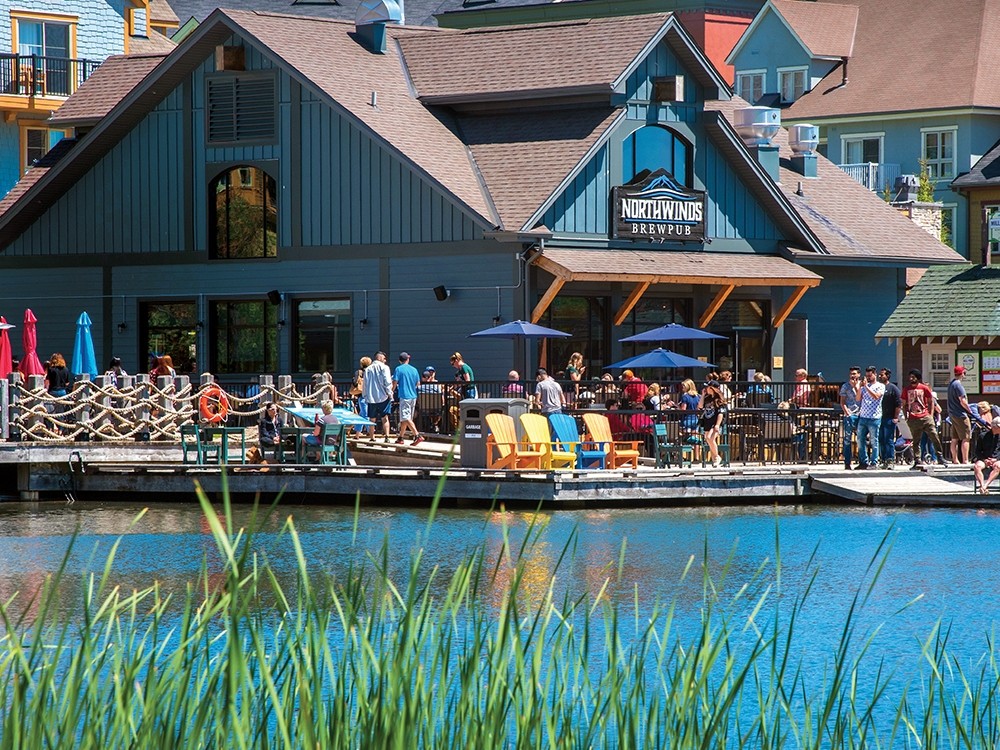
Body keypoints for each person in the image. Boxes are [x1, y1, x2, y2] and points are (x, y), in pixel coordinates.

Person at [903, 369, 948, 469]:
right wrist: (906, 416)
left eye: (913, 377)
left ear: (918, 378)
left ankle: (939, 457)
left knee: (934, 436)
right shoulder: (906, 389)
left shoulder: (924, 388)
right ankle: (917, 460)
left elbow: (931, 402)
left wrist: (930, 415)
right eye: (910, 377)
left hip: (925, 416)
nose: (911, 379)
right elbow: (904, 404)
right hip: (913, 418)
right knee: (916, 440)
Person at [393, 352, 424, 446]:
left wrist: (391, 392)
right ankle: (401, 437)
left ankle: (417, 435)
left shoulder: (398, 369)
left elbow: (395, 382)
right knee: (406, 418)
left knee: (405, 417)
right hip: (413, 396)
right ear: (408, 359)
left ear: (399, 360)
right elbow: (418, 383)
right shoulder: (414, 370)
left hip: (404, 396)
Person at [856, 365, 884, 469]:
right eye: (867, 375)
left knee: (874, 440)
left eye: (870, 375)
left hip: (874, 417)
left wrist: (867, 387)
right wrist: (860, 387)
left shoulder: (880, 386)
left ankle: (874, 462)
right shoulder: (864, 387)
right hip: (863, 416)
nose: (868, 377)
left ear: (875, 374)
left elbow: (876, 397)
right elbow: (858, 398)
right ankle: (863, 461)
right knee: (860, 440)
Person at [362, 351, 394, 442]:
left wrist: (365, 395)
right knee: (385, 418)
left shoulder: (368, 369)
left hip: (371, 398)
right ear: (380, 358)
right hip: (383, 396)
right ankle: (387, 437)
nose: (385, 360)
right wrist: (390, 394)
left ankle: (372, 438)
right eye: (384, 358)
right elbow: (387, 382)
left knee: (372, 419)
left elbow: (365, 384)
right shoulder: (385, 367)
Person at [948, 365, 974, 464]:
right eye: (964, 373)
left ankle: (955, 459)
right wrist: (969, 410)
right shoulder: (958, 385)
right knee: (966, 438)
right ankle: (965, 460)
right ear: (962, 373)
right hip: (961, 415)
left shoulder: (951, 384)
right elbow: (962, 401)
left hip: (952, 414)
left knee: (954, 438)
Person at [878, 368, 902, 469]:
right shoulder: (878, 387)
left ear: (887, 376)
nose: (880, 376)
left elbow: (898, 404)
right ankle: (883, 459)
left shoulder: (893, 388)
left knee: (889, 440)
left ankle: (890, 460)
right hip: (879, 417)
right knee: (881, 439)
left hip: (889, 418)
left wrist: (895, 417)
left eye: (882, 375)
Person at [699, 379, 726, 467]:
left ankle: (717, 457)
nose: (706, 388)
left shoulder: (719, 399)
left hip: (715, 422)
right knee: (708, 438)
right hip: (707, 421)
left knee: (711, 438)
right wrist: (703, 395)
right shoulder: (707, 398)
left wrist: (718, 425)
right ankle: (715, 458)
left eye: (708, 387)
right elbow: (700, 406)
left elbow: (721, 413)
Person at [839, 366, 862, 470]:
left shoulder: (863, 385)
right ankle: (847, 462)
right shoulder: (845, 386)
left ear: (859, 374)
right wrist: (846, 410)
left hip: (861, 414)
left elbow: (863, 398)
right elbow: (842, 401)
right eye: (851, 374)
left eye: (854, 374)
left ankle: (862, 462)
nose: (853, 376)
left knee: (861, 439)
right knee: (847, 439)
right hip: (849, 414)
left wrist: (856, 387)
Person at [973, 417, 1000, 494]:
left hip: (997, 459)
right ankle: (982, 486)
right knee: (977, 467)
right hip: (985, 458)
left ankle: (985, 486)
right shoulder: (983, 436)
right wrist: (984, 459)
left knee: (998, 466)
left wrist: (996, 459)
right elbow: (977, 451)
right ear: (994, 427)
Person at [45, 353, 71, 428]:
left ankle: (50, 428)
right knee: (60, 413)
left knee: (50, 412)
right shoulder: (65, 369)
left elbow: (47, 381)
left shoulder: (50, 369)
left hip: (52, 391)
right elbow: (67, 383)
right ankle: (60, 430)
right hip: (62, 391)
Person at [416, 367, 444, 434]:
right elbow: (442, 399)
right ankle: (436, 426)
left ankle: (419, 429)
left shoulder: (419, 387)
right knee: (441, 410)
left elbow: (417, 399)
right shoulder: (437, 386)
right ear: (429, 377)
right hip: (435, 408)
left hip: (423, 409)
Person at [353, 356, 372, 436]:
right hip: (371, 395)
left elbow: (355, 383)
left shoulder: (359, 372)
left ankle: (358, 432)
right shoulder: (371, 372)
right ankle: (370, 431)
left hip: (361, 394)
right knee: (365, 414)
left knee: (363, 414)